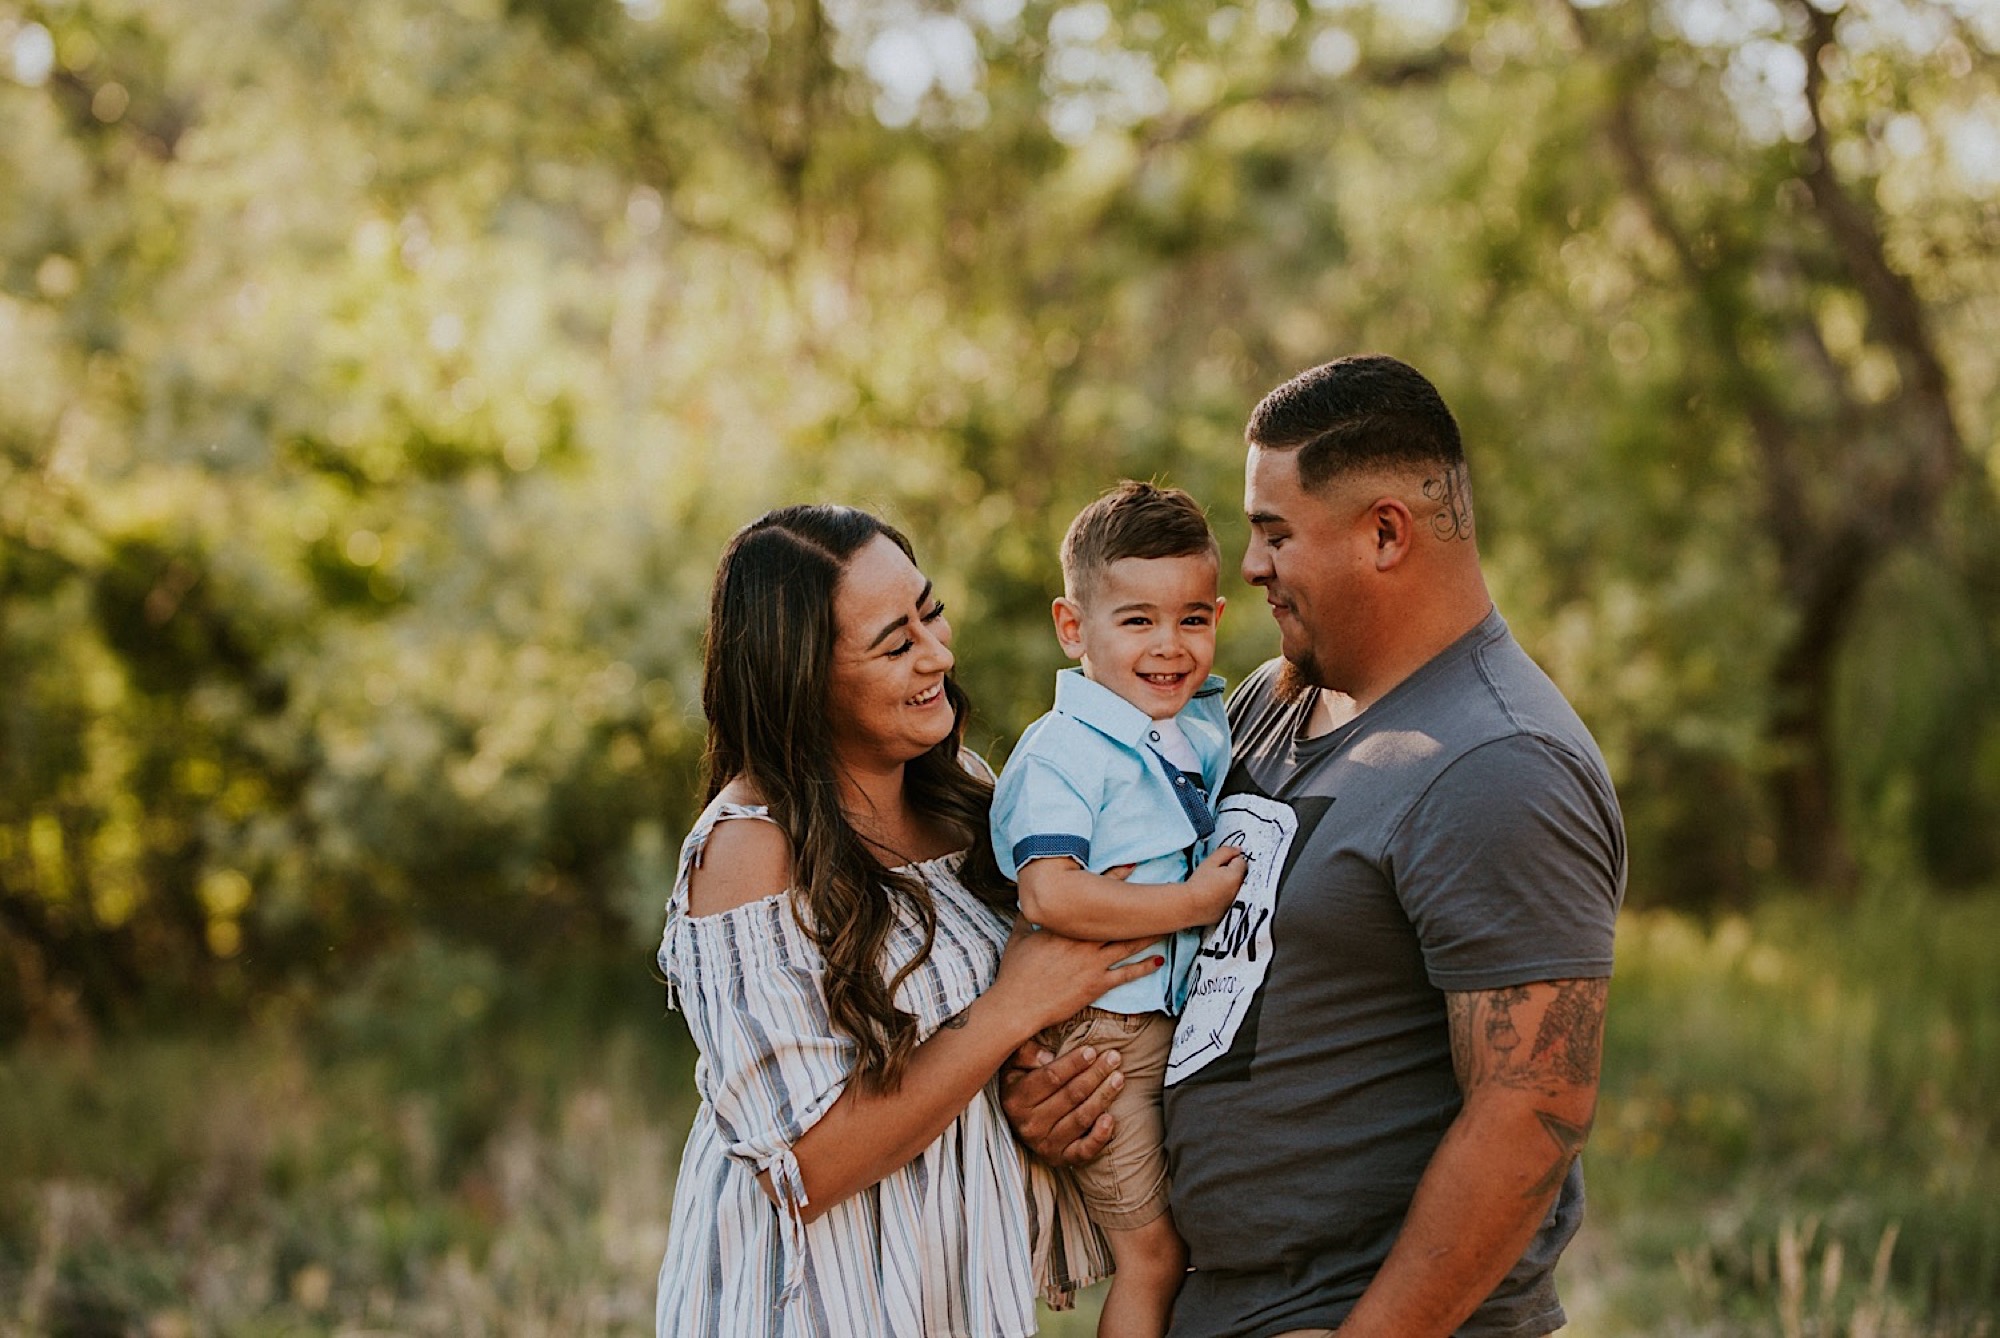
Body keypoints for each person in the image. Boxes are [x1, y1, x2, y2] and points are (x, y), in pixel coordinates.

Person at [1003, 355, 1626, 1337]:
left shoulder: (1497, 763)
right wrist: (1061, 1095)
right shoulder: (1262, 704)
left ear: (1383, 531)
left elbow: (1529, 1117)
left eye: (1273, 533)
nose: (1248, 568)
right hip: (1208, 1300)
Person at [656, 504, 1164, 1337]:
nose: (939, 653)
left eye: (930, 612)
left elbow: (962, 1057)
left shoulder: (963, 789)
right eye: (896, 644)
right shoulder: (748, 854)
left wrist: (1032, 1103)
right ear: (801, 676)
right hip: (814, 1306)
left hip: (955, 1294)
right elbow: (805, 1164)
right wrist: (1012, 1010)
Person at [990, 481, 1249, 1337]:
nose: (1169, 647)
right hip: (1098, 1043)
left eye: (1192, 620)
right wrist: (1192, 902)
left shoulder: (1197, 720)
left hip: (1171, 1028)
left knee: (1205, 1237)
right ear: (1074, 630)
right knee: (1155, 1256)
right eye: (1136, 620)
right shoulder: (1065, 750)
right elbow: (1049, 890)